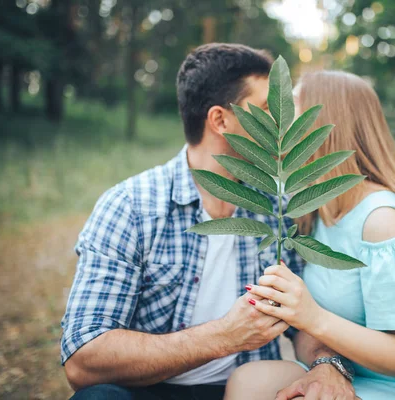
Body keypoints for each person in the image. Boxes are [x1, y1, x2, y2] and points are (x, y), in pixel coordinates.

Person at [61, 43, 315, 400]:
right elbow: (82, 362)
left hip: (250, 389)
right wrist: (224, 336)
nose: (280, 125)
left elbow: (307, 327)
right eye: (264, 111)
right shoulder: (131, 207)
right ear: (220, 120)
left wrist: (327, 368)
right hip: (148, 389)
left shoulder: (278, 209)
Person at [224, 71, 395, 399]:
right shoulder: (316, 208)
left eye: (290, 109)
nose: (275, 120)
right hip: (359, 374)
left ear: (325, 125)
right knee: (247, 382)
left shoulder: (381, 221)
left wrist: (311, 317)